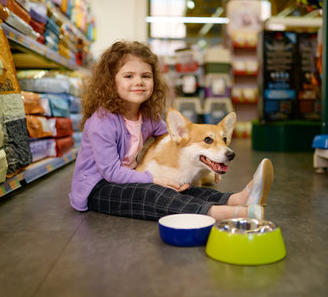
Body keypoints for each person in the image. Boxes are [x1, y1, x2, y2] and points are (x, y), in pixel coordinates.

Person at [69, 40, 274, 221]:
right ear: (110, 82)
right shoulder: (101, 122)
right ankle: (224, 213)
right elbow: (111, 172)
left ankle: (235, 199)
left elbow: (176, 139)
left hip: (128, 177)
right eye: (128, 76)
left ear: (154, 81)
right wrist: (154, 178)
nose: (138, 81)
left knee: (180, 187)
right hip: (98, 188)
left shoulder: (148, 117)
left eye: (146, 76)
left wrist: (209, 160)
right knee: (154, 193)